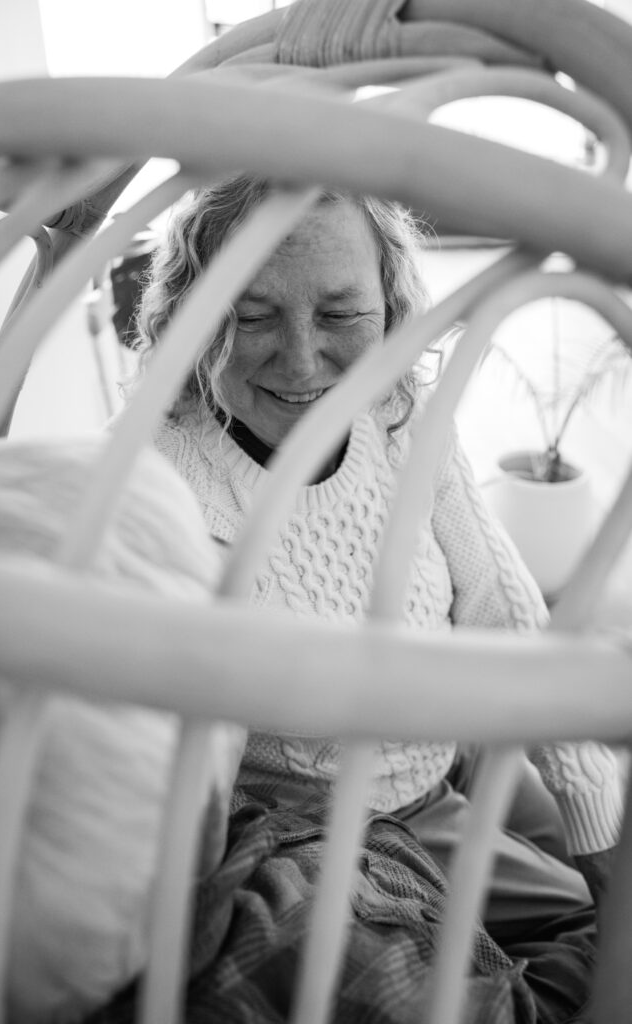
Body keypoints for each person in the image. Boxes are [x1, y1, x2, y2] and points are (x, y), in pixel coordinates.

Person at [130, 174, 622, 1023]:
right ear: (195, 315)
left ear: (392, 311)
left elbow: (504, 611)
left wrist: (589, 812)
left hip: (450, 755)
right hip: (338, 826)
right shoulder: (155, 476)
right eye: (250, 316)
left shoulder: (403, 411)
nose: (298, 359)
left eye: (339, 314)